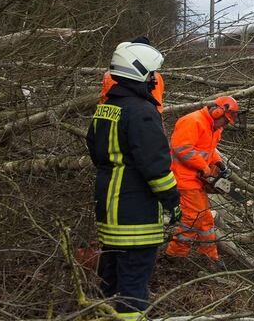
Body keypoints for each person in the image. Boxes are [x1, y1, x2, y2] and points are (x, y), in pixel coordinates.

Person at [87, 41, 179, 319]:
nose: (154, 81)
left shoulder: (105, 108)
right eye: (152, 74)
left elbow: (94, 150)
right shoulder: (141, 112)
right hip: (134, 217)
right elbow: (157, 168)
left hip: (108, 211)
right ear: (138, 71)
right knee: (133, 289)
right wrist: (173, 202)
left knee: (109, 281)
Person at [164, 96, 239, 262]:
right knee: (194, 217)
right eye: (225, 121)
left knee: (205, 218)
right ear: (217, 111)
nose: (225, 125)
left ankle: (208, 256)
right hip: (183, 177)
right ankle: (175, 254)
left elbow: (209, 151)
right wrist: (204, 167)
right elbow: (182, 148)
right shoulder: (193, 121)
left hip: (196, 179)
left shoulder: (215, 128)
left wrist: (219, 164)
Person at [99, 36, 165, 115]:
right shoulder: (154, 76)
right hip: (142, 111)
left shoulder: (111, 73)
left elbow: (104, 96)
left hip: (108, 111)